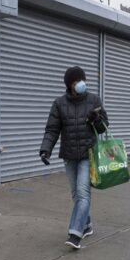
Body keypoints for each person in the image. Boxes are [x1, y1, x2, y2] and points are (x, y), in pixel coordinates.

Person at [40, 66, 108, 250]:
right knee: (75, 194)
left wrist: (96, 119)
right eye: (76, 81)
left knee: (83, 193)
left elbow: (104, 128)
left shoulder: (94, 100)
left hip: (88, 154)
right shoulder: (59, 103)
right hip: (69, 155)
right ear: (69, 84)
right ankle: (87, 225)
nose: (80, 83)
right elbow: (52, 129)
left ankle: (75, 233)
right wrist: (46, 149)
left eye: (82, 80)